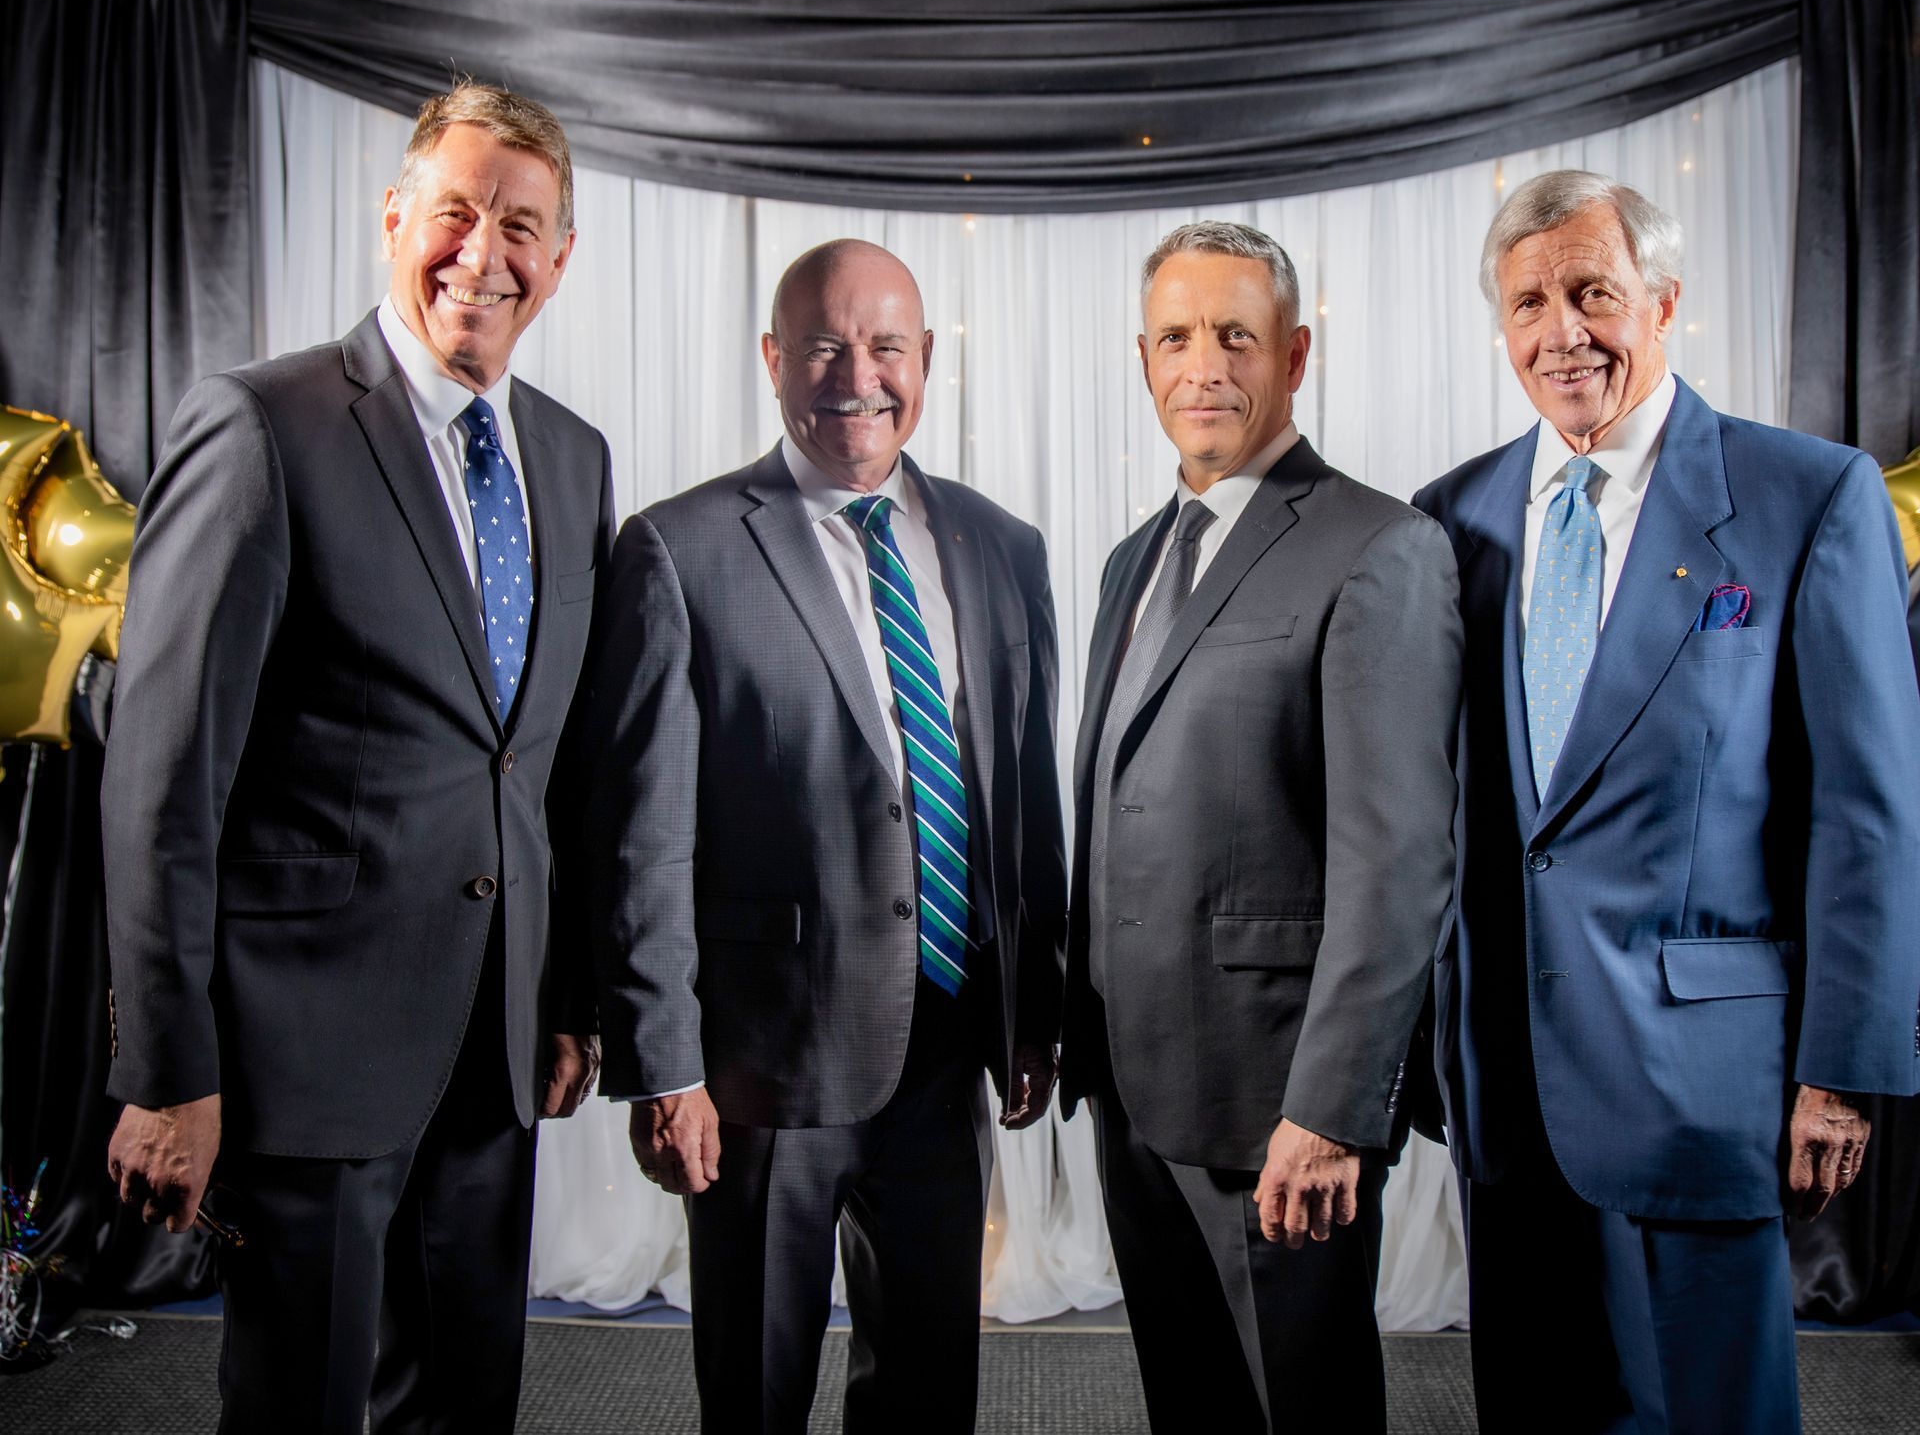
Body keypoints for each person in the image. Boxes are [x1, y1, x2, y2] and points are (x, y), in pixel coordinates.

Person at [101, 81, 613, 1434]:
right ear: (394, 218)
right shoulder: (262, 426)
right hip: (308, 1042)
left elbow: (539, 765)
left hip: (494, 1045)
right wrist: (168, 1065)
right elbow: (163, 776)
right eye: (455, 212)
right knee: (306, 1407)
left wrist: (567, 994)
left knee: (467, 1403)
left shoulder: (573, 458)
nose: (482, 254)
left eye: (522, 226)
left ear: (558, 261)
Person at [1412, 169, 1920, 1434]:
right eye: (1529, 302)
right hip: (1508, 1076)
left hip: (1706, 1074)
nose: (1561, 331)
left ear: (1666, 302)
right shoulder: (1450, 519)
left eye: (1594, 293)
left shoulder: (1811, 495)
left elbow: (1866, 811)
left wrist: (1841, 1072)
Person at [567, 239, 1067, 1433]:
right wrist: (667, 1063)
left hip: (948, 1050)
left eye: (887, 345)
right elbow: (640, 835)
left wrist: (1033, 1012)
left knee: (931, 1393)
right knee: (755, 1392)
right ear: (773, 358)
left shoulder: (1004, 547)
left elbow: (1024, 801)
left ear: (927, 359)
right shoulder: (679, 548)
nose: (858, 375)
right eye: (826, 345)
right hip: (759, 1068)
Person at [1058, 221, 1462, 1434]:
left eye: (1237, 335)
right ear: (1143, 361)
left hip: (1278, 1099)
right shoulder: (1137, 556)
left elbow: (1399, 861)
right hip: (1136, 1080)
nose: (1205, 366)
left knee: (1306, 1407)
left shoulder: (1380, 545)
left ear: (1296, 353)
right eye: (1176, 337)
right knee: (1194, 1404)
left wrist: (1335, 1107)